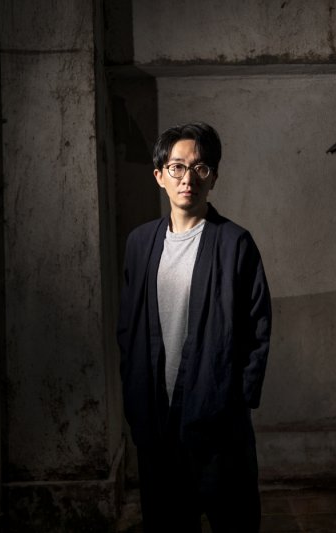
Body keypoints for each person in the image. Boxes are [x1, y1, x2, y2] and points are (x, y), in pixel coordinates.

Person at [117, 122, 272, 532]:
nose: (188, 178)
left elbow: (257, 327)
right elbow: (128, 329)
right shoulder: (140, 244)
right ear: (160, 176)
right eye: (177, 167)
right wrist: (133, 397)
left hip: (219, 423)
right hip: (157, 423)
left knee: (234, 521)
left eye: (200, 168)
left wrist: (237, 401)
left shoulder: (235, 243)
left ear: (213, 177)